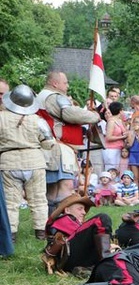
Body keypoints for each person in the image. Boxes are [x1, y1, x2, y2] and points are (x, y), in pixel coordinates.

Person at [37, 71, 101, 209]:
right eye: (65, 82)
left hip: (53, 146)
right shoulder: (54, 96)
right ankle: (60, 224)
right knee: (66, 186)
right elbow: (70, 113)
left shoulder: (42, 96)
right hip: (59, 147)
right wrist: (94, 115)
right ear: (55, 83)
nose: (67, 86)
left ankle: (50, 225)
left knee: (53, 189)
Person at [0, 85, 55, 243]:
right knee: (38, 200)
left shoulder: (1, 117)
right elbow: (49, 143)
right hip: (35, 162)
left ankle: (11, 236)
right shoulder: (38, 120)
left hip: (8, 163)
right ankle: (41, 233)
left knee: (10, 203)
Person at [41, 194, 113, 275]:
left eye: (84, 210)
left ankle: (89, 269)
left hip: (74, 261)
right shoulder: (63, 219)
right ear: (67, 210)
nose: (84, 212)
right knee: (101, 218)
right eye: (80, 209)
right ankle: (107, 265)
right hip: (68, 258)